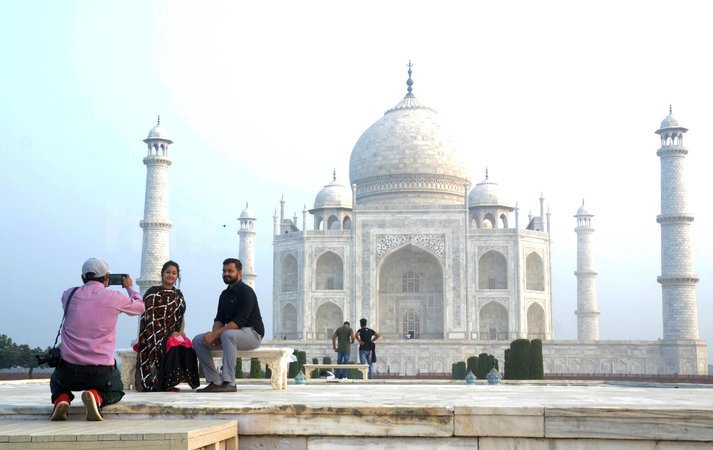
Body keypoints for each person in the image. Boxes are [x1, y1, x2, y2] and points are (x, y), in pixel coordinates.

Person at [49, 258, 145, 421]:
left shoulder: (69, 295)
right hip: (100, 370)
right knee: (116, 390)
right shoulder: (115, 297)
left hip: (69, 369)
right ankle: (96, 396)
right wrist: (129, 286)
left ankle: (62, 399)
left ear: (82, 277)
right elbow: (140, 307)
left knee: (57, 383)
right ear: (107, 277)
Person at [192, 258, 264, 392]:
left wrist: (217, 334)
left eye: (230, 271)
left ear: (240, 273)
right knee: (198, 340)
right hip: (230, 334)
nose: (226, 274)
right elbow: (219, 319)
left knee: (227, 335)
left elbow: (240, 321)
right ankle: (215, 381)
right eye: (224, 271)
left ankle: (229, 382)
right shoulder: (224, 294)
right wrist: (215, 334)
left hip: (252, 334)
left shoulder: (246, 292)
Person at [136, 261, 200, 392]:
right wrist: (168, 334)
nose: (170, 275)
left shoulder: (178, 295)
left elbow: (181, 316)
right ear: (162, 274)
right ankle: (164, 384)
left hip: (173, 332)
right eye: (168, 272)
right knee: (171, 344)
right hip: (153, 334)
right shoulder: (153, 293)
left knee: (186, 344)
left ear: (177, 276)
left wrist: (181, 332)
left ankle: (175, 381)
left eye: (174, 273)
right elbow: (150, 318)